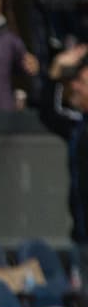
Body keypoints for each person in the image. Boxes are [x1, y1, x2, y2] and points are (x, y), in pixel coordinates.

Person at [38, 43, 88, 276]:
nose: (74, 87)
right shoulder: (79, 127)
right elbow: (49, 112)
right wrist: (56, 71)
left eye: (82, 83)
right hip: (82, 237)